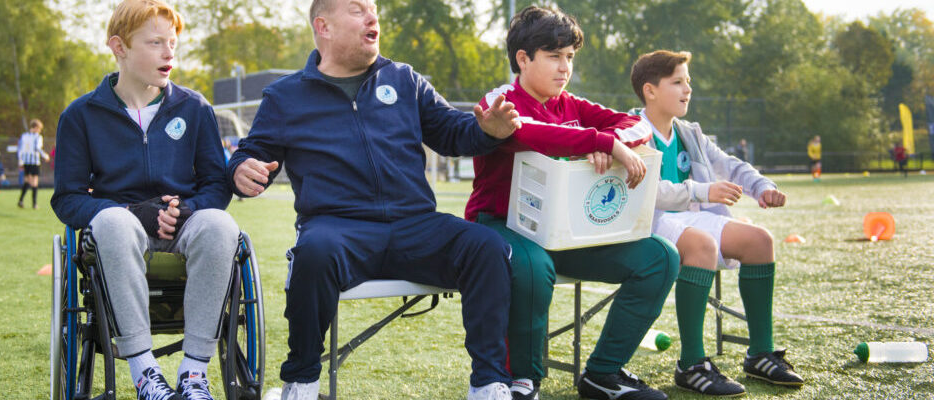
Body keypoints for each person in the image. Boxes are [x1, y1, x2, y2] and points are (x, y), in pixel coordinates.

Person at [228, 1, 521, 399]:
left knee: (487, 248)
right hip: (338, 228)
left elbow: (454, 132)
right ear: (324, 26)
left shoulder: (404, 79)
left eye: (374, 10)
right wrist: (241, 168)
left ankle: (489, 384)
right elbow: (252, 151)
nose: (372, 18)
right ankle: (301, 382)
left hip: (416, 225)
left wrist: (489, 130)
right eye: (357, 9)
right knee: (313, 254)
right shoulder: (285, 97)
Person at [465, 7, 679, 400]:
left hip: (568, 231)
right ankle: (522, 381)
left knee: (660, 257)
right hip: (501, 225)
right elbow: (531, 133)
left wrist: (613, 141)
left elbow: (638, 124)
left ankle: (603, 374)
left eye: (570, 57)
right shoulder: (500, 100)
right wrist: (600, 142)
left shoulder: (573, 105)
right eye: (554, 56)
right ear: (523, 59)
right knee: (532, 266)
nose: (565, 67)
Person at [51, 1, 237, 399]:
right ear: (119, 47)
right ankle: (145, 372)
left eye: (172, 43)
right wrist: (130, 213)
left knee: (221, 225)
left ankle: (193, 374)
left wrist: (187, 211)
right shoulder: (80, 115)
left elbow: (216, 186)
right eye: (155, 43)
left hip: (181, 224)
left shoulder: (195, 108)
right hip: (119, 229)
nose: (169, 52)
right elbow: (66, 199)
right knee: (113, 223)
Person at [629, 50, 803, 396]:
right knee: (701, 244)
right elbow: (649, 192)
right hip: (646, 225)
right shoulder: (630, 130)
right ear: (650, 91)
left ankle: (760, 354)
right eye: (677, 81)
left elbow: (731, 164)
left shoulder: (689, 132)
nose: (687, 89)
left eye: (688, 81)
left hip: (690, 221)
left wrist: (762, 187)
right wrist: (705, 190)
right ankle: (692, 363)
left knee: (760, 241)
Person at [17, 118, 51, 208]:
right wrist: (45, 156)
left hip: (26, 162)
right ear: (36, 127)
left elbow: (20, 149)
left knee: (27, 181)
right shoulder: (38, 137)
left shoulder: (24, 135)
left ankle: (20, 200)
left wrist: (20, 160)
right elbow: (37, 148)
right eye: (39, 129)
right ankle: (34, 204)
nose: (39, 131)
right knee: (34, 182)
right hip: (34, 162)